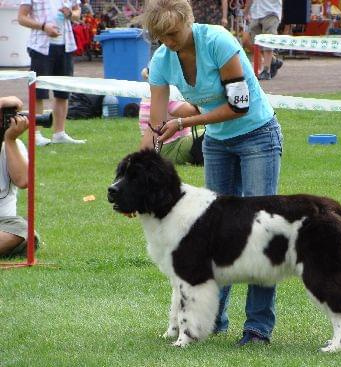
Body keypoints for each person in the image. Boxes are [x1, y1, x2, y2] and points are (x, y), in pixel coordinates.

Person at [141, 0, 283, 345]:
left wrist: (183, 121)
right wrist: (141, 176)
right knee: (215, 234)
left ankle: (258, 327)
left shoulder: (218, 41)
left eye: (173, 33)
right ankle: (212, 320)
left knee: (259, 232)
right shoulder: (161, 61)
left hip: (257, 136)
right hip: (217, 144)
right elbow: (155, 123)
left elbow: (239, 105)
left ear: (188, 21)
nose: (170, 42)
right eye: (162, 37)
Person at [18, 0, 86, 146]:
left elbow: (77, 12)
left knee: (63, 92)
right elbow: (22, 18)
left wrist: (70, 14)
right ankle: (35, 134)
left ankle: (59, 133)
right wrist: (43, 27)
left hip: (66, 45)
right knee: (38, 92)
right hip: (40, 46)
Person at [0, 95, 39, 257]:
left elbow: (23, 181)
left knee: (25, 232)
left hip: (0, 223)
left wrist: (10, 140)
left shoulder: (14, 145)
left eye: (4, 121)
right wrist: (0, 102)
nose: (1, 127)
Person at [138, 67, 203, 165]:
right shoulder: (169, 97)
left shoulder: (150, 94)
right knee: (211, 135)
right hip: (170, 148)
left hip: (158, 147)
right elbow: (197, 111)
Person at [244, 0, 284, 80]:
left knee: (268, 42)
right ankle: (273, 60)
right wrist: (246, 11)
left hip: (271, 12)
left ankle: (266, 71)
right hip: (256, 13)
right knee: (255, 43)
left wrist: (246, 11)